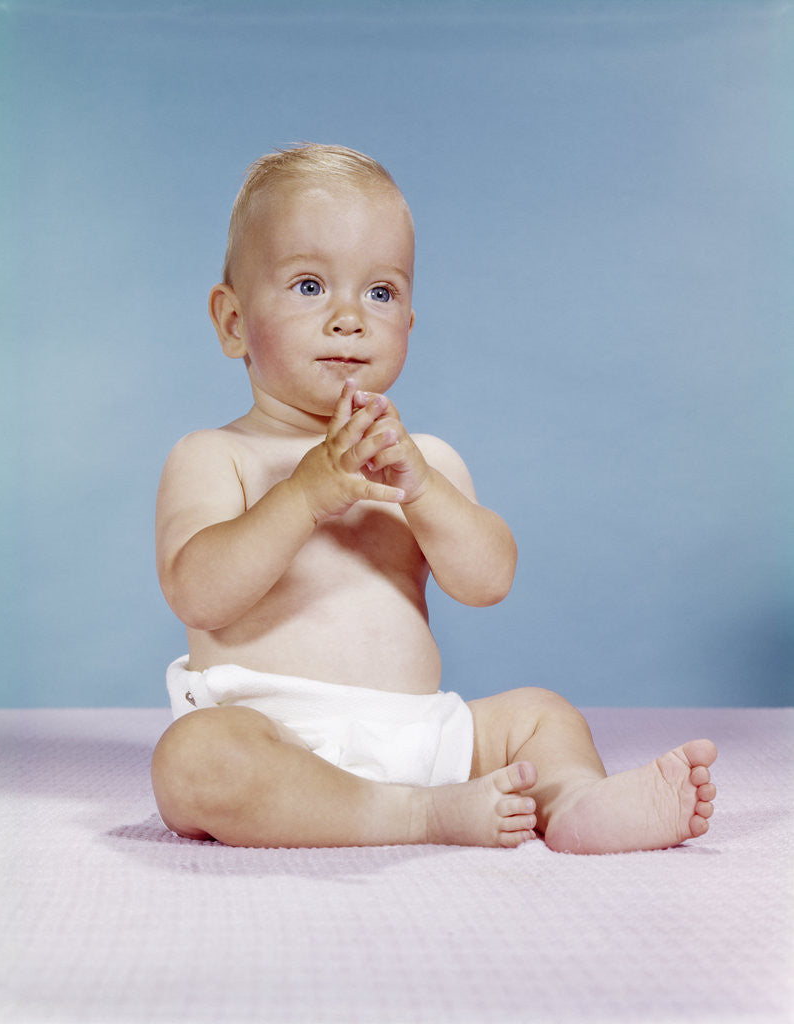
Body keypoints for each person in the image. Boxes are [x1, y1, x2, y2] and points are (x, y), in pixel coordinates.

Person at [151, 143, 716, 853]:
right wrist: (305, 495)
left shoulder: (425, 464)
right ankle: (420, 816)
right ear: (233, 321)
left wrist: (422, 491)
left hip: (421, 734)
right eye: (308, 286)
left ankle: (576, 802)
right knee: (194, 760)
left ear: (408, 324)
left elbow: (488, 580)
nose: (349, 317)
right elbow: (198, 594)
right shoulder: (215, 456)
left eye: (380, 293)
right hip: (275, 731)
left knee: (541, 714)